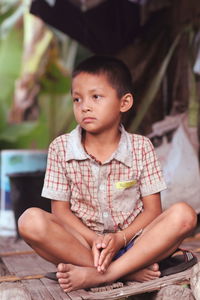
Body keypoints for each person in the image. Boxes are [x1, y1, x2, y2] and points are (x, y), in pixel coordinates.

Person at [18, 56, 197, 293]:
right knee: (29, 221)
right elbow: (60, 211)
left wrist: (121, 239)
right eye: (77, 99)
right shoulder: (60, 148)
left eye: (96, 97)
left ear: (124, 102)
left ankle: (104, 274)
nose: (85, 106)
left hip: (136, 242)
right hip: (82, 245)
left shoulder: (141, 147)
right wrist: (94, 240)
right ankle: (128, 271)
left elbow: (153, 210)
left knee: (184, 215)